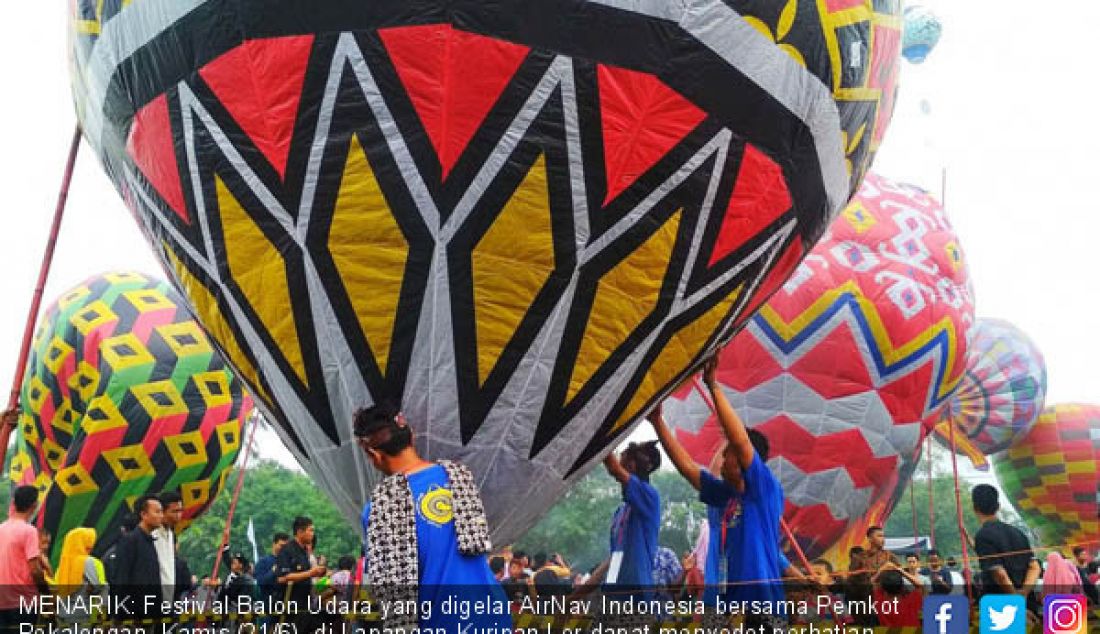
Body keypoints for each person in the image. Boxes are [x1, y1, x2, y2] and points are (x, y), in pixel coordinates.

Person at [650, 358, 811, 631]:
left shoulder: (763, 489)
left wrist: (713, 386)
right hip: (725, 604)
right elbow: (688, 467)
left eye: (727, 456)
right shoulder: (724, 496)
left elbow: (740, 441)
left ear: (747, 459)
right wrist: (657, 422)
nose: (722, 460)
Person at [355, 401, 510, 634]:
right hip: (492, 616)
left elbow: (390, 589)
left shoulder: (377, 509)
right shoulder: (460, 478)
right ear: (412, 436)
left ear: (372, 453)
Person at [601, 438, 661, 601]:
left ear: (631, 467)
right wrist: (573, 598)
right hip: (613, 597)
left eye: (622, 463)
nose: (615, 477)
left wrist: (599, 435)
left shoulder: (650, 497)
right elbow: (613, 560)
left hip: (636, 599)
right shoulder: (620, 513)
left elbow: (613, 468)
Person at [971, 484, 1041, 612]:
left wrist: (1016, 602)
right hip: (1029, 604)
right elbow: (1034, 567)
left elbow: (1000, 574)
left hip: (1001, 607)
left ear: (975, 508)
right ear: (998, 506)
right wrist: (1024, 593)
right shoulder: (1018, 533)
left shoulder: (983, 536)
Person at [0, 485, 47, 632]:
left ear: (14, 503)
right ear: (34, 506)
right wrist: (45, 592)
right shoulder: (29, 531)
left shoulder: (1, 528)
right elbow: (35, 570)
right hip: (24, 602)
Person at [112, 495, 165, 616]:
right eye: (157, 512)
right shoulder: (130, 540)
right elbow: (121, 578)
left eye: (162, 512)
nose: (161, 516)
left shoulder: (151, 541)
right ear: (144, 515)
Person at [276, 517, 326, 628]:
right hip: (291, 605)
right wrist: (310, 573)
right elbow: (283, 577)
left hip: (305, 604)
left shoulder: (304, 551)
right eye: (311, 530)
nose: (313, 534)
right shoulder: (287, 550)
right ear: (300, 532)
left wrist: (317, 573)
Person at [54, 528, 108, 625]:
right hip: (83, 616)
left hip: (62, 615)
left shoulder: (62, 566)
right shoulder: (90, 562)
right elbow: (99, 588)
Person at [848, 527, 897, 626]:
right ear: (870, 539)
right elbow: (853, 583)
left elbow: (898, 578)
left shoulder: (890, 556)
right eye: (879, 536)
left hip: (887, 603)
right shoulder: (859, 558)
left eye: (883, 536)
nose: (883, 539)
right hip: (866, 604)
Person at [871, 563, 926, 627]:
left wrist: (881, 570)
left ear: (883, 589)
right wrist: (900, 571)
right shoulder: (911, 601)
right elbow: (919, 585)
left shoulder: (880, 603)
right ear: (902, 586)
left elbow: (873, 582)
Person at [154, 491, 182, 603]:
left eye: (180, 511)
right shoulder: (152, 534)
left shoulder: (171, 535)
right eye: (175, 511)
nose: (179, 515)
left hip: (168, 599)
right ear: (162, 512)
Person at [255, 532, 289, 604]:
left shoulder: (290, 562)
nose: (284, 548)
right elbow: (261, 582)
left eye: (286, 546)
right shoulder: (263, 562)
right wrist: (273, 571)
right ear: (274, 544)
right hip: (268, 604)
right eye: (281, 545)